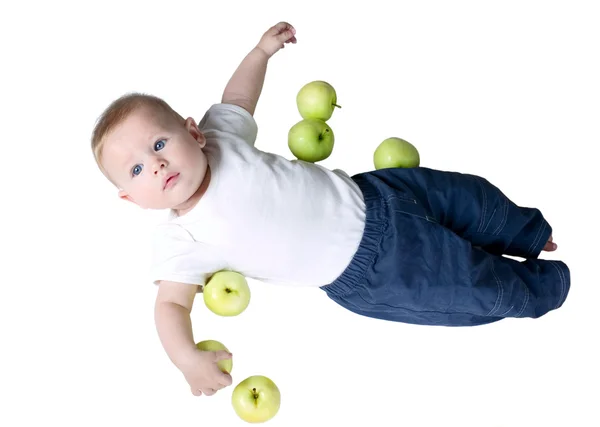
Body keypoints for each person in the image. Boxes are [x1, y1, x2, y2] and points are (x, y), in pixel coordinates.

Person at [90, 22, 570, 398]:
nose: (154, 165)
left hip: (379, 192)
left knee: (470, 197)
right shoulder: (181, 241)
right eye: (134, 171)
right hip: (372, 272)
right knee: (471, 288)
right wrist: (186, 358)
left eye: (158, 143)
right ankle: (549, 286)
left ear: (192, 131)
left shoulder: (221, 138)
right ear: (132, 201)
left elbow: (237, 98)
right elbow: (170, 305)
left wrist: (260, 53)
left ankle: (530, 232)